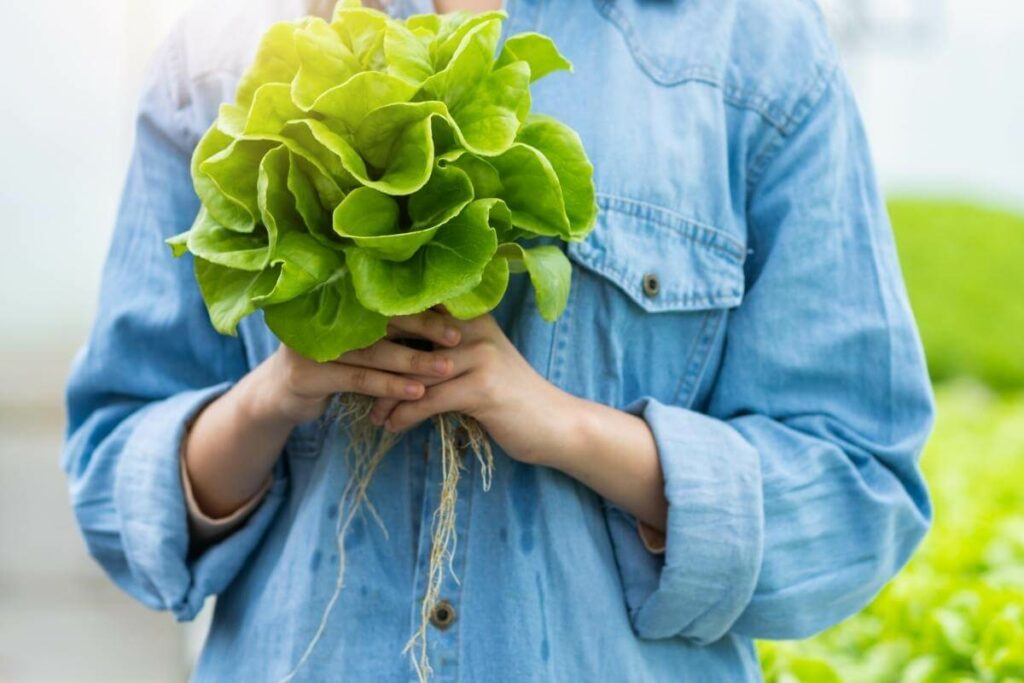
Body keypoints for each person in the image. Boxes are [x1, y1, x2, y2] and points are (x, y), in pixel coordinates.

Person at [62, 0, 935, 680]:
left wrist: (570, 429)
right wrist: (277, 392)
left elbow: (857, 489)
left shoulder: (750, 46)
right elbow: (114, 468)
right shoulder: (219, 48)